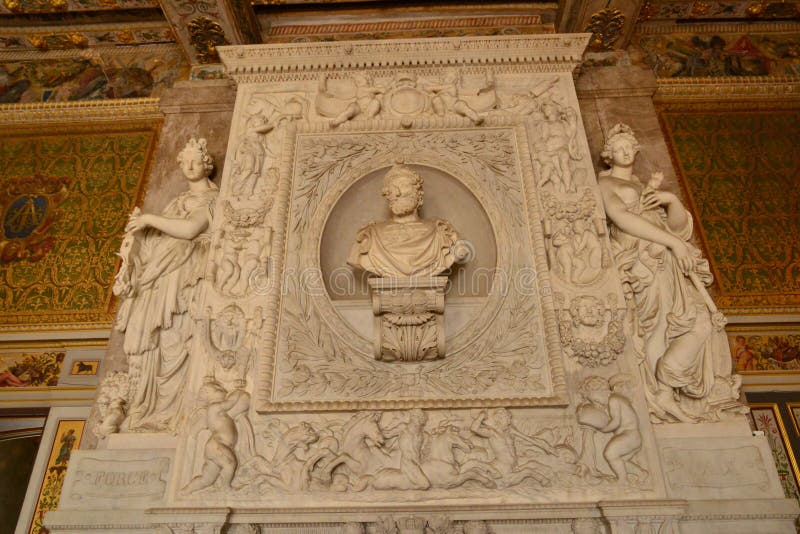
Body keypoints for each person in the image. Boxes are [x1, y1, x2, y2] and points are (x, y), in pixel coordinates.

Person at [598, 123, 739, 422]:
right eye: (618, 147)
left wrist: (671, 201)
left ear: (636, 150)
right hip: (641, 264)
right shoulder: (605, 184)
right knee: (656, 325)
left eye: (628, 145)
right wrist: (673, 243)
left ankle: (667, 387)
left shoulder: (641, 186)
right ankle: (660, 393)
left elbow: (679, 228)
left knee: (697, 319)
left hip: (671, 259)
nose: (625, 150)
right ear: (608, 154)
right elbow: (621, 218)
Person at [114, 137, 218, 432]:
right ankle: (142, 412)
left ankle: (168, 417)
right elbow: (155, 240)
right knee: (153, 346)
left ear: (207, 165)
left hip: (182, 280)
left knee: (174, 341)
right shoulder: (176, 201)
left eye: (194, 161)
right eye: (183, 162)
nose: (188, 167)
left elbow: (189, 229)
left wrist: (148, 219)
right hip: (158, 279)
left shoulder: (213, 200)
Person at [348, 164, 465, 278]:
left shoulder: (442, 231)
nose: (395, 193)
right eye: (390, 188)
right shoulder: (370, 235)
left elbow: (460, 251)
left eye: (402, 185)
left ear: (418, 193)